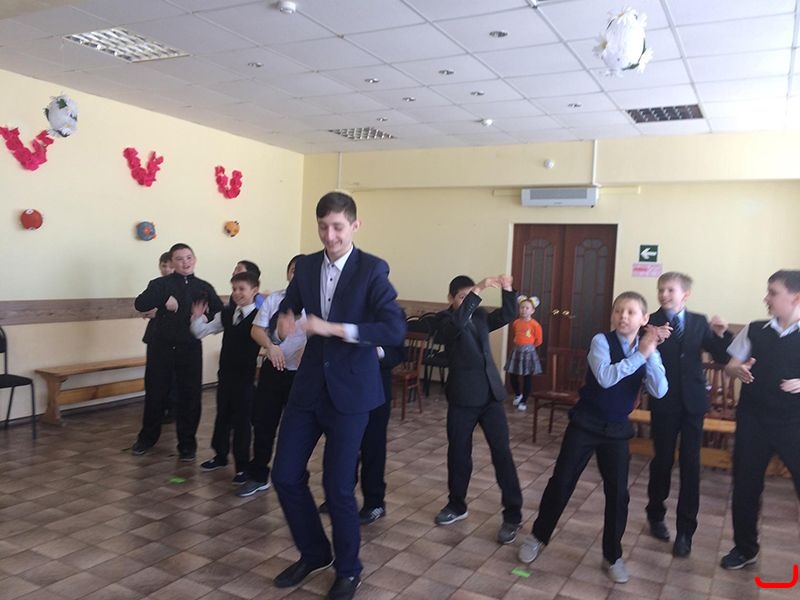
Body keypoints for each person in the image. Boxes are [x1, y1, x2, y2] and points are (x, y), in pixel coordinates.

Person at [268, 191, 406, 600]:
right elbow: (288, 309)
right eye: (323, 227)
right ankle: (315, 554)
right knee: (284, 475)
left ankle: (349, 569)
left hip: (352, 392)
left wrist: (333, 328)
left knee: (338, 486)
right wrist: (283, 323)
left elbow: (393, 329)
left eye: (338, 227)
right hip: (308, 388)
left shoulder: (372, 269)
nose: (330, 236)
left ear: (354, 226)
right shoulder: (308, 266)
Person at [518, 291, 668, 584]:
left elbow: (660, 391)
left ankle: (613, 556)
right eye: (618, 311)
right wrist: (640, 355)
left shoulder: (648, 349)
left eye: (631, 312)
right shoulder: (601, 341)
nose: (623, 316)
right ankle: (537, 536)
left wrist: (650, 355)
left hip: (617, 430)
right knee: (562, 481)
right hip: (585, 424)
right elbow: (606, 378)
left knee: (618, 494)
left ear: (644, 319)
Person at [645, 272, 732, 557]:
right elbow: (639, 355)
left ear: (685, 294)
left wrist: (721, 334)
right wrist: (651, 338)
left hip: (693, 403)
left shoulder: (698, 321)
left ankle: (685, 532)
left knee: (691, 465)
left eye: (670, 290)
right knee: (662, 460)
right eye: (661, 289)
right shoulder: (650, 321)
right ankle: (656, 514)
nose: (664, 294)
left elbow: (721, 356)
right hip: (664, 402)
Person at [433, 274, 524, 547]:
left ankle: (513, 514)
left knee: (502, 454)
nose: (466, 301)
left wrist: (508, 289)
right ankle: (456, 505)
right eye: (461, 296)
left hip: (491, 396)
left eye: (469, 296)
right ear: (451, 299)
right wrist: (479, 288)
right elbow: (458, 323)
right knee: (459, 454)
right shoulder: (445, 320)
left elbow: (508, 314)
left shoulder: (481, 316)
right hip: (463, 398)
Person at [719, 269, 800, 570]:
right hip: (753, 419)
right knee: (746, 485)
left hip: (794, 423)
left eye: (773, 293)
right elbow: (730, 366)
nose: (766, 298)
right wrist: (737, 370)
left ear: (796, 297)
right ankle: (745, 548)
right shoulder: (754, 329)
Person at [132, 243, 224, 460]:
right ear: (172, 263)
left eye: (189, 257)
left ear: (195, 259)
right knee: (155, 394)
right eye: (180, 259)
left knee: (190, 397)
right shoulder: (160, 284)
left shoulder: (203, 287)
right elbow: (140, 303)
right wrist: (163, 300)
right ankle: (147, 438)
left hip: (189, 349)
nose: (185, 262)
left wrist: (203, 317)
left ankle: (187, 445)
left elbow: (220, 313)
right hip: (160, 348)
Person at [237, 254, 306, 498]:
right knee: (263, 423)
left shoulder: (318, 303)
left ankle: (294, 477)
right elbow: (256, 330)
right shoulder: (275, 299)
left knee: (298, 429)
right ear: (288, 273)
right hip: (273, 370)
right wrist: (270, 346)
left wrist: (307, 352)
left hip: (302, 375)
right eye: (293, 270)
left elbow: (321, 335)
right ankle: (258, 475)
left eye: (303, 271)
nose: (297, 275)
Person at [190, 271, 262, 484]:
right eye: (234, 289)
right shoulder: (227, 313)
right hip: (225, 376)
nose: (237, 293)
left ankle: (242, 466)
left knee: (242, 422)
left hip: (245, 378)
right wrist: (197, 317)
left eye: (242, 289)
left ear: (254, 291)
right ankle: (220, 456)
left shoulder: (260, 316)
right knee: (222, 416)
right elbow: (200, 332)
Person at [140, 251, 178, 424]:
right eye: (163, 266)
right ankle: (156, 409)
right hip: (155, 336)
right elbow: (145, 308)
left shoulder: (181, 285)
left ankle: (172, 408)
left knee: (172, 376)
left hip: (174, 338)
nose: (167, 269)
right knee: (154, 376)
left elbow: (181, 310)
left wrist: (159, 311)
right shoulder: (155, 284)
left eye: (170, 266)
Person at [505, 295, 543, 412]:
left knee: (527, 377)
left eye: (527, 308)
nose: (524, 310)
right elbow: (515, 335)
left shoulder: (535, 324)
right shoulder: (516, 322)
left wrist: (529, 347)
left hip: (528, 352)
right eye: (522, 307)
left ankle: (524, 401)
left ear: (532, 310)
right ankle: (518, 394)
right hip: (516, 351)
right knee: (512, 375)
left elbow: (539, 340)